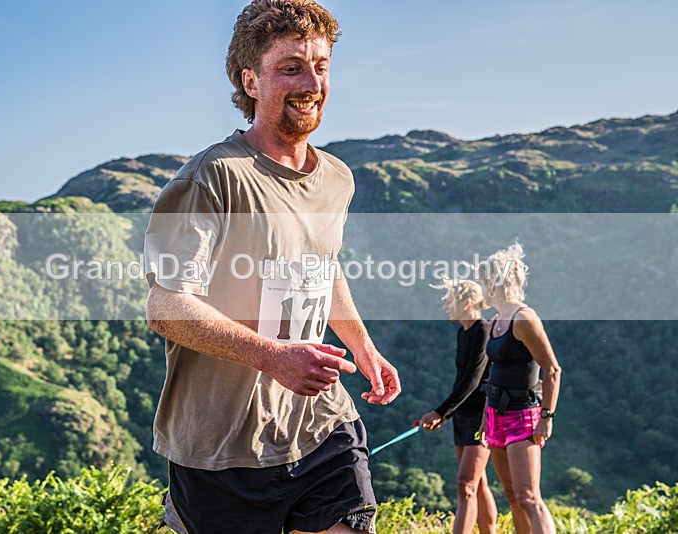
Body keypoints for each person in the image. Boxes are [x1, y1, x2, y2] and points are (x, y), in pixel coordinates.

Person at [144, 1, 401, 532]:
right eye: (291, 68)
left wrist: (362, 345)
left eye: (321, 65)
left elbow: (322, 266)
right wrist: (272, 356)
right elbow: (166, 306)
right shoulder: (210, 179)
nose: (311, 82)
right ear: (251, 82)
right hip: (222, 450)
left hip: (318, 425)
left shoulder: (337, 178)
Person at [477, 243, 561, 534]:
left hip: (523, 417)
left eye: (484, 281)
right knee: (512, 496)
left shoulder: (524, 319)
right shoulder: (497, 321)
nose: (481, 288)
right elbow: (494, 371)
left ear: (495, 283)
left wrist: (546, 418)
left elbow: (552, 369)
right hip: (496, 416)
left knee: (529, 497)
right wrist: (486, 419)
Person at [420, 279, 497, 534]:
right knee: (477, 483)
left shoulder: (483, 330)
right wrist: (446, 414)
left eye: (449, 300)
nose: (445, 306)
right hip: (462, 415)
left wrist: (441, 411)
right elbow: (461, 380)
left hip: (481, 417)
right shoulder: (463, 332)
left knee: (465, 485)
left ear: (465, 303)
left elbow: (473, 380)